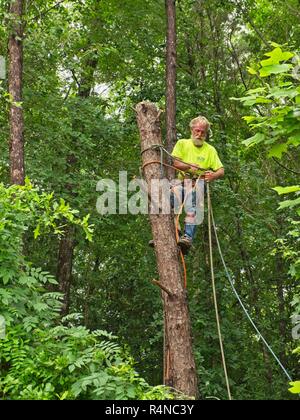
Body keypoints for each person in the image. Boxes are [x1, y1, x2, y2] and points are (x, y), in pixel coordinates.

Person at [171, 116, 224, 252]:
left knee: (192, 207)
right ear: (191, 130)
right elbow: (175, 163)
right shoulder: (182, 143)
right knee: (168, 202)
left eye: (203, 132)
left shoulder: (210, 150)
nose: (199, 134)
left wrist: (213, 175)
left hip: (197, 184)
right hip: (182, 182)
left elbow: (221, 170)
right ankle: (170, 232)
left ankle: (187, 238)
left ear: (206, 133)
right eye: (197, 131)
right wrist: (188, 167)